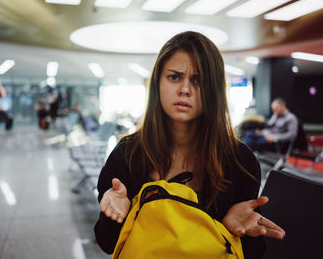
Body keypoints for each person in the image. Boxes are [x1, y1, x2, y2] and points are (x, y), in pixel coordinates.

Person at [94, 31, 285, 258]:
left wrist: (234, 230)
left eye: (198, 80)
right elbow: (107, 243)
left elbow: (252, 253)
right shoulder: (127, 153)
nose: (185, 89)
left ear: (213, 90)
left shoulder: (239, 161)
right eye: (174, 77)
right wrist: (116, 215)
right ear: (158, 84)